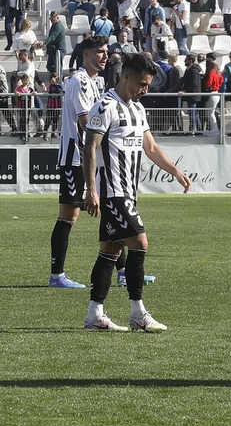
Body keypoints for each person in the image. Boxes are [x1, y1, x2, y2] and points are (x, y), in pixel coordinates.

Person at [80, 53, 192, 332]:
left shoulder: (138, 110)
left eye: (148, 85)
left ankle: (95, 316)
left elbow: (151, 148)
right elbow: (90, 148)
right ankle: (138, 314)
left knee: (109, 251)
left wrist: (175, 171)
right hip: (113, 192)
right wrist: (90, 189)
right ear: (125, 76)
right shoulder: (105, 107)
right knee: (139, 244)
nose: (145, 89)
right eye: (142, 83)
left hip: (129, 192)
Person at [49, 35, 110, 290]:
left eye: (106, 51)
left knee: (110, 205)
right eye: (100, 52)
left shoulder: (98, 82)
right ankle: (57, 275)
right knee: (69, 214)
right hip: (76, 156)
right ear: (86, 54)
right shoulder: (79, 81)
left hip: (90, 155)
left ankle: (122, 272)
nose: (105, 56)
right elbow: (86, 123)